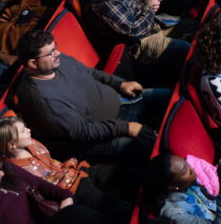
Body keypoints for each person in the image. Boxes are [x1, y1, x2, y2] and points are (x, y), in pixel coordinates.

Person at [12, 30, 166, 163]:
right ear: (32, 64)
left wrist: (119, 84)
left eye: (55, 48)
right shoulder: (41, 99)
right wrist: (127, 128)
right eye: (51, 53)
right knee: (155, 146)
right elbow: (83, 132)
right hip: (98, 139)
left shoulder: (55, 62)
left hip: (121, 103)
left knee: (167, 99)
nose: (57, 53)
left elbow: (90, 72)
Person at [78, 0, 190, 85]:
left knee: (192, 27)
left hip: (150, 24)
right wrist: (149, 8)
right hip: (136, 45)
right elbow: (134, 32)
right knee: (185, 50)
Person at [0, 115, 133, 219]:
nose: (29, 130)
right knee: (116, 207)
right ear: (12, 145)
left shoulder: (31, 143)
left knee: (121, 174)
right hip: (72, 189)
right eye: (23, 131)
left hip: (76, 171)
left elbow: (53, 162)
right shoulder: (15, 170)